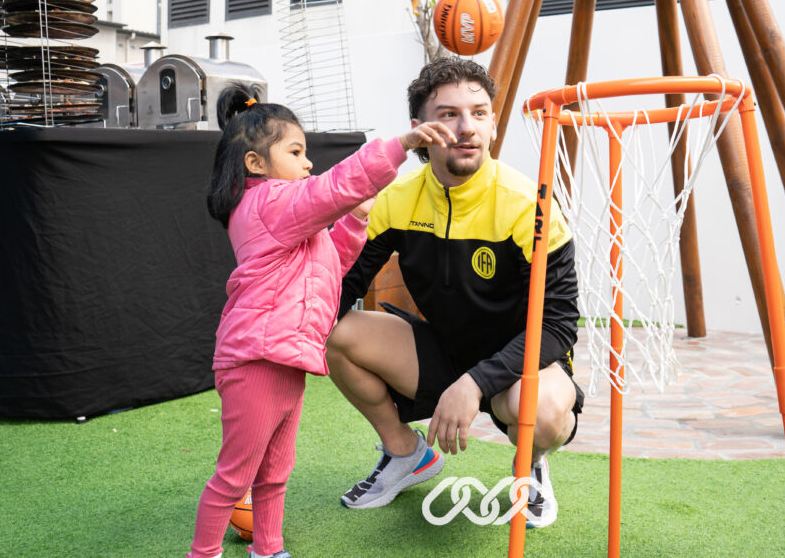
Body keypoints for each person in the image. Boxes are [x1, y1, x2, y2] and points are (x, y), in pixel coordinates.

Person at [186, 83, 455, 558]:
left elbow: (332, 264)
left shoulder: (287, 219)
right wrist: (399, 146)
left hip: (283, 360)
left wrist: (355, 221)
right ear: (256, 164)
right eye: (296, 151)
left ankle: (268, 549)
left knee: (275, 471)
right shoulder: (267, 203)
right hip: (255, 362)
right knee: (234, 476)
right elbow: (331, 189)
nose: (307, 162)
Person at [326, 57, 583, 528]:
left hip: (520, 366)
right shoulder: (396, 199)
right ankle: (406, 455)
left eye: (480, 112)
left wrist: (475, 382)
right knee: (332, 330)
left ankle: (530, 464)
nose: (467, 128)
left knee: (541, 411)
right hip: (443, 351)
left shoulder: (529, 204)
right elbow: (342, 290)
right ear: (419, 128)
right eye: (448, 114)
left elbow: (560, 324)